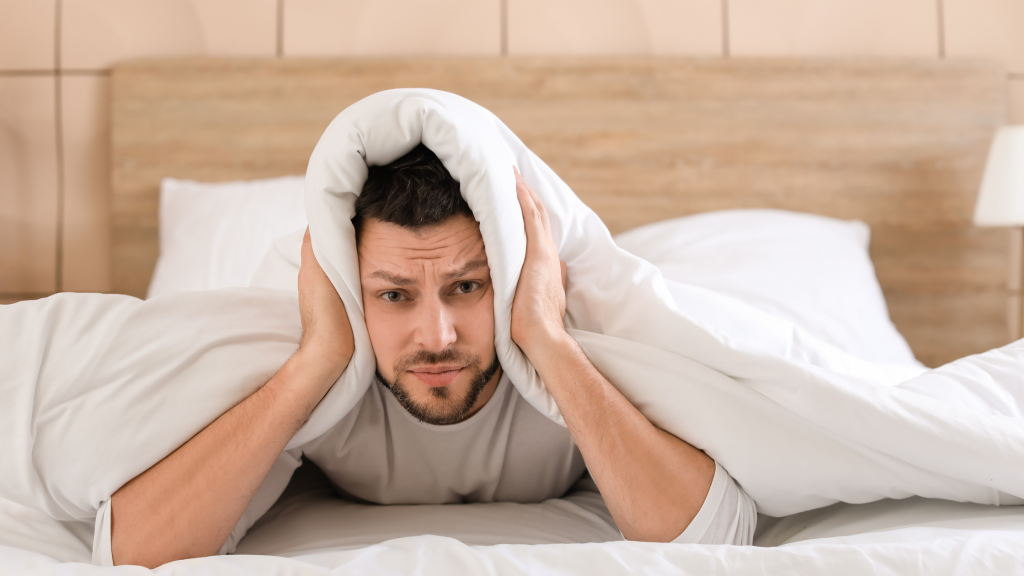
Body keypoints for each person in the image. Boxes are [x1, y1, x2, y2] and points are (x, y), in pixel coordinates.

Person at [105, 145, 756, 568]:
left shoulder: (573, 328)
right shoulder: (318, 339)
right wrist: (317, 360)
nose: (437, 335)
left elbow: (713, 541)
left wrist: (549, 342)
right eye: (394, 295)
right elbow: (134, 552)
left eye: (466, 286)